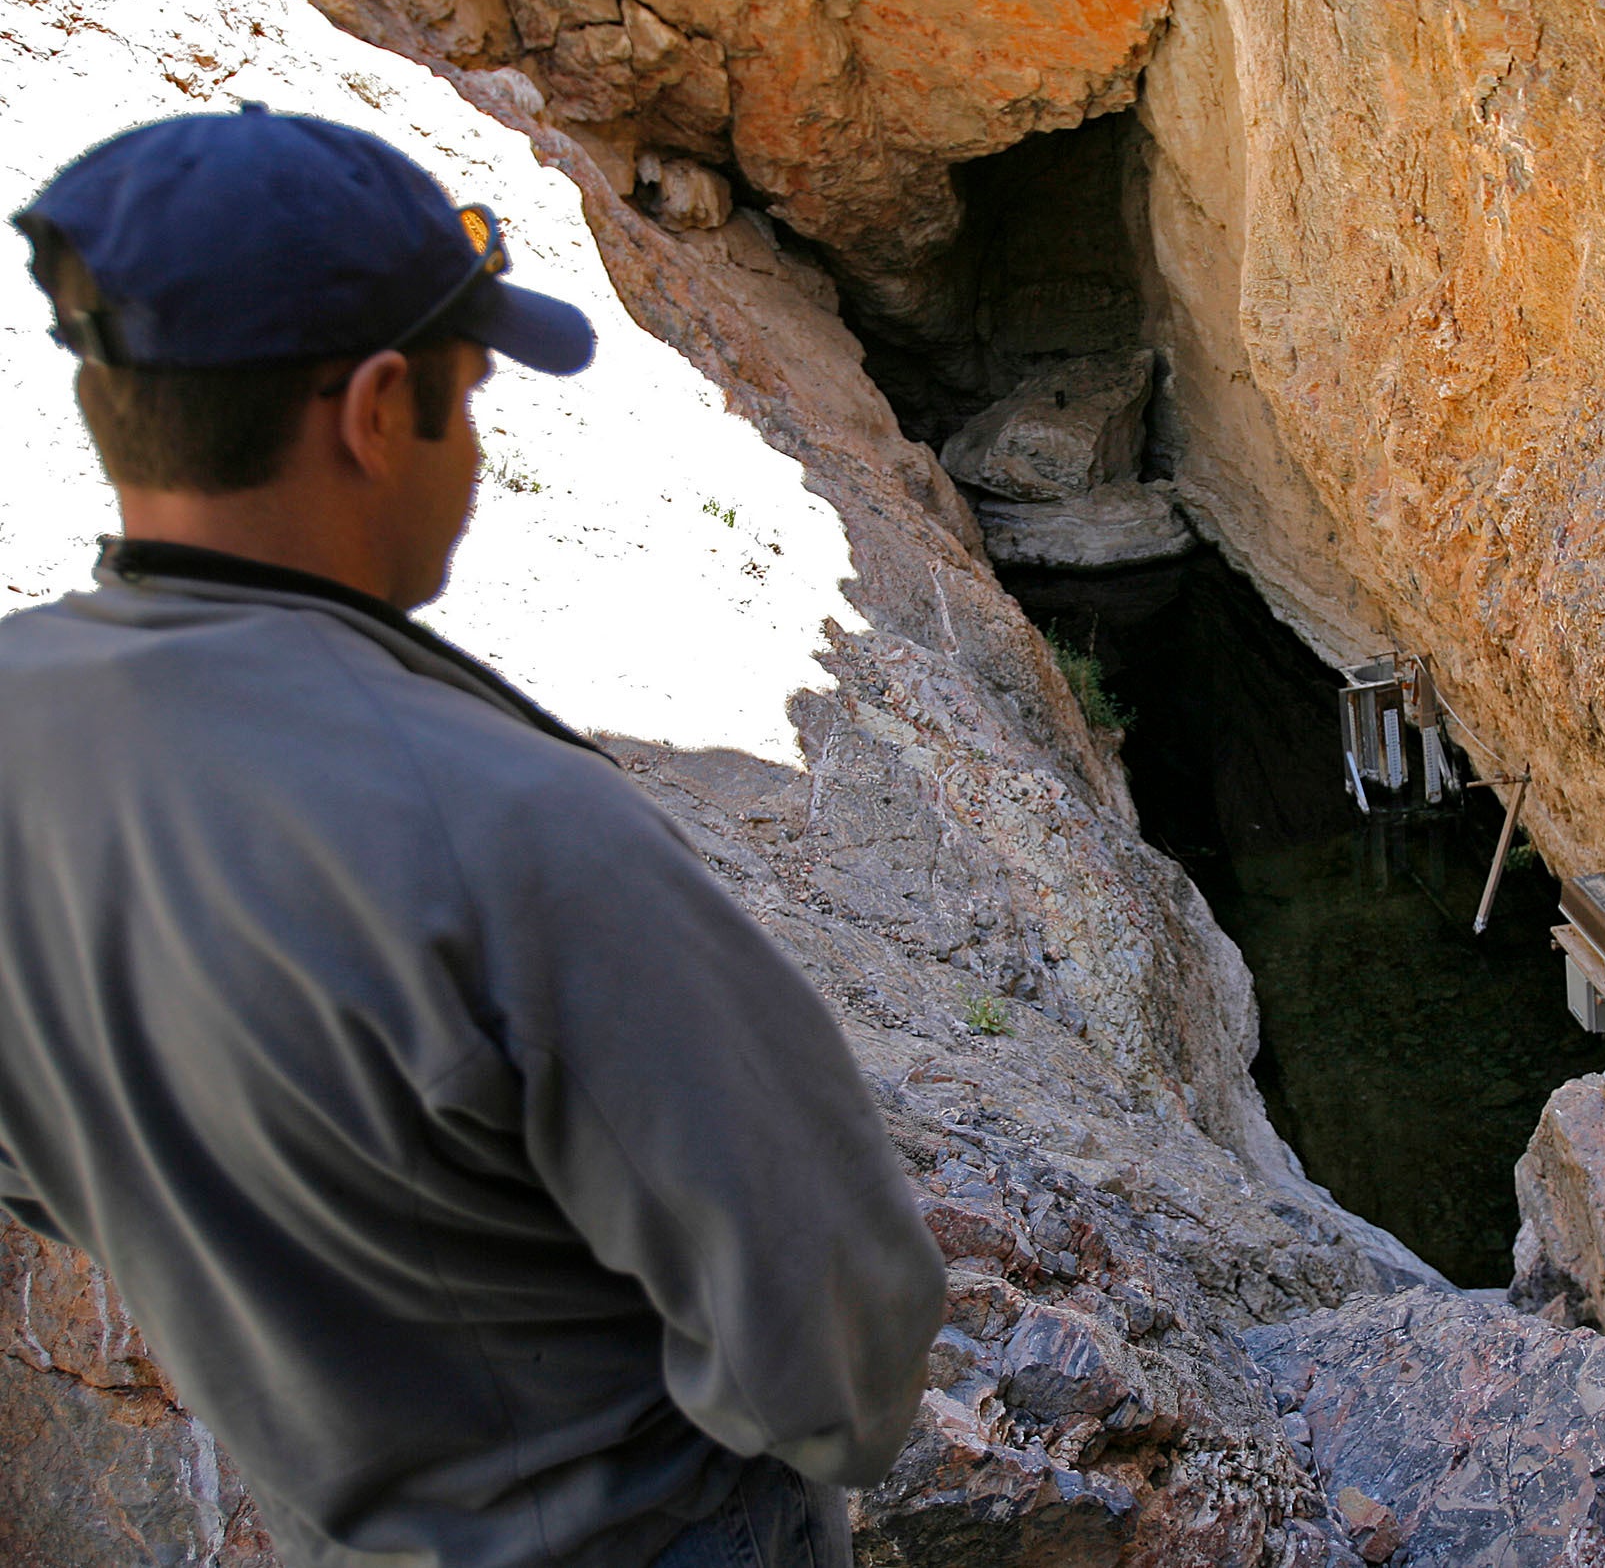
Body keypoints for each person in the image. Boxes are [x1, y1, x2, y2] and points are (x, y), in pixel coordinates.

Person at [0, 106, 946, 1567]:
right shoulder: (507, 834)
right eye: (474, 392)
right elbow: (832, 1346)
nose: (481, 448)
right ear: (378, 411)